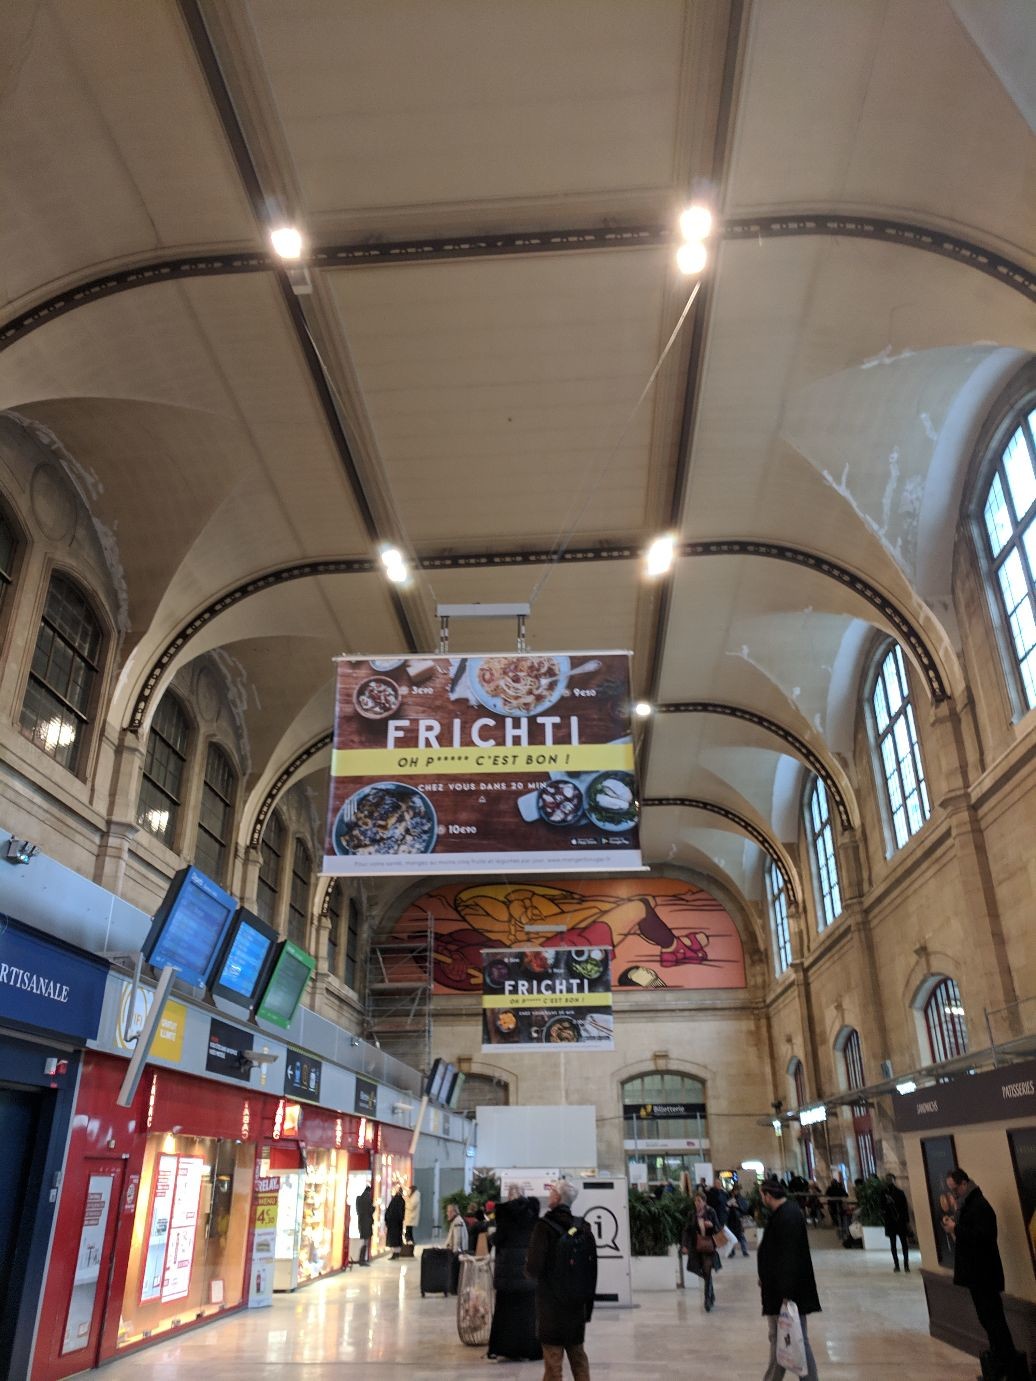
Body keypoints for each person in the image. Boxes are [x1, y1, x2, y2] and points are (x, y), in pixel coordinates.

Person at [942, 1167, 1026, 1380]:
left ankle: (1009, 1366)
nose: (953, 1195)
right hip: (976, 1275)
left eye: (955, 1190)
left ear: (964, 1184)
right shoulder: (968, 1205)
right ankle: (999, 1364)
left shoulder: (980, 1206)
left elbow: (984, 1237)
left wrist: (956, 1229)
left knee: (994, 1321)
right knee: (987, 1320)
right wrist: (954, 1229)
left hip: (984, 1275)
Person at [526, 1179, 597, 1381]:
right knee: (579, 1358)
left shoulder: (544, 1226)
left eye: (551, 1192)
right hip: (576, 1305)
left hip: (551, 1306)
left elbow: (533, 1267)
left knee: (553, 1363)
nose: (549, 1195)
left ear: (557, 1198)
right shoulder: (583, 1227)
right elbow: (591, 1268)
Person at [757, 1177, 821, 1380]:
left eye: (762, 1195)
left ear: (768, 1196)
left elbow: (789, 1257)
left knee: (789, 1339)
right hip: (781, 1290)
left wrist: (786, 1294)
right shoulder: (785, 1213)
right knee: (788, 1339)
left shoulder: (788, 1216)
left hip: (785, 1294)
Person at [488, 1187, 543, 1363]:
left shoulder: (505, 1214)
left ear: (510, 1197)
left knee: (506, 1312)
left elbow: (498, 1240)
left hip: (508, 1273)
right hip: (528, 1270)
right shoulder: (533, 1214)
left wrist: (492, 1238)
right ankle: (530, 1348)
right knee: (529, 1313)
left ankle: (506, 1348)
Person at [683, 1190, 723, 1310]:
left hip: (708, 1246)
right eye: (695, 1201)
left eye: (699, 1201)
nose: (697, 1203)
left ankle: (707, 1299)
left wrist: (711, 1226)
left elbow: (718, 1228)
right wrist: (684, 1245)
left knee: (707, 1271)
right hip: (696, 1247)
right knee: (697, 1270)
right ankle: (711, 1292)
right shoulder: (692, 1214)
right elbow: (687, 1229)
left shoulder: (711, 1212)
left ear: (704, 1202)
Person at [880, 1173, 911, 1273]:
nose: (889, 1181)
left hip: (899, 1221)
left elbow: (905, 1208)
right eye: (887, 1179)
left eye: (890, 1179)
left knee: (903, 1244)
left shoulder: (899, 1193)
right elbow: (881, 1207)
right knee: (893, 1244)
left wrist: (907, 1222)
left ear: (894, 1180)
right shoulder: (884, 1193)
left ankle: (906, 1265)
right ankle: (897, 1265)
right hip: (892, 1221)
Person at [725, 1191, 750, 1258]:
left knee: (741, 1237)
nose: (734, 1194)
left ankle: (744, 1251)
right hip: (731, 1222)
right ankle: (732, 1252)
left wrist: (737, 1206)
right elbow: (725, 1210)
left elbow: (744, 1210)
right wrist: (729, 1206)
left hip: (738, 1222)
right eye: (733, 1193)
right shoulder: (728, 1201)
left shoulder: (740, 1200)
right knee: (731, 1238)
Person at [354, 1183, 374, 1266]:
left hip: (361, 1222)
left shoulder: (359, 1199)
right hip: (367, 1223)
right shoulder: (368, 1199)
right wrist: (373, 1208)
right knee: (365, 1241)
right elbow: (370, 1210)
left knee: (364, 1240)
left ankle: (361, 1259)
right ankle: (362, 1260)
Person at [385, 1185, 405, 1259]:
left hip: (392, 1223)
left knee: (393, 1238)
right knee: (397, 1238)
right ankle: (397, 1253)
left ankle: (395, 1253)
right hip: (398, 1223)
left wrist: (387, 1220)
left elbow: (389, 1212)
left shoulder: (394, 1200)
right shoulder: (402, 1201)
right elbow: (402, 1212)